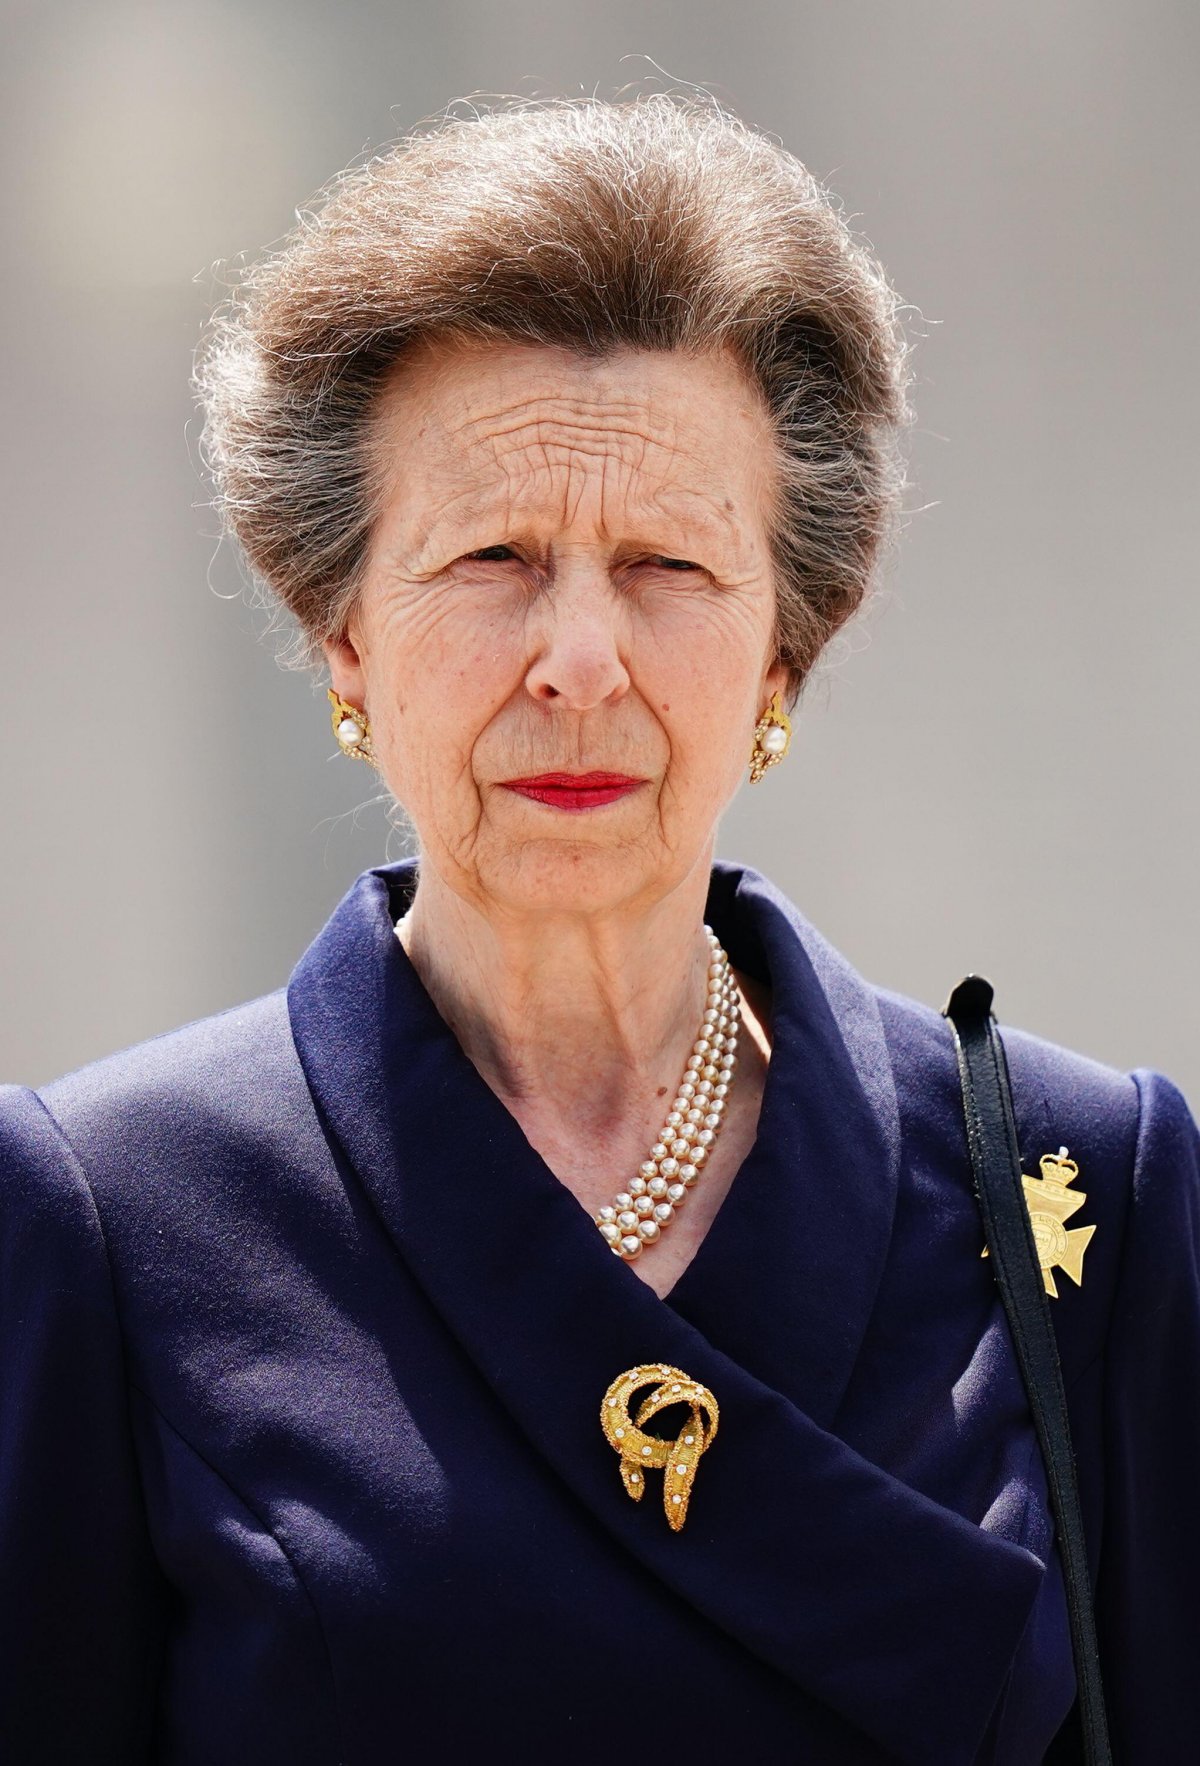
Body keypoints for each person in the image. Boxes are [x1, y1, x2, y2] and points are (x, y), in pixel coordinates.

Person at [1, 95, 1196, 1766]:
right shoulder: (109, 1216)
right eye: (492, 556)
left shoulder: (1090, 1185)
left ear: (784, 651)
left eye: (666, 566)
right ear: (343, 633)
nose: (577, 656)